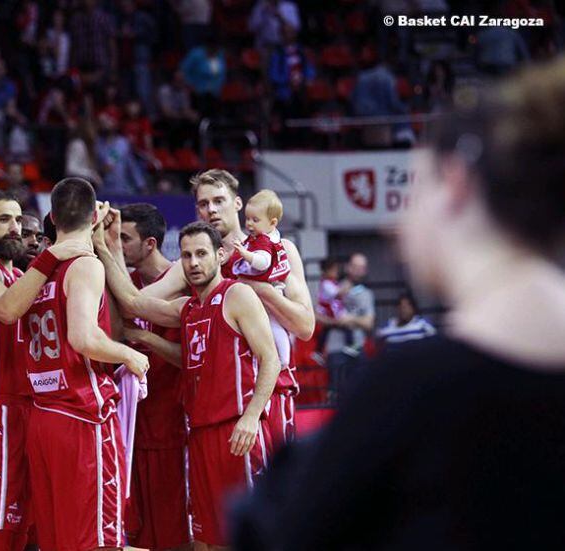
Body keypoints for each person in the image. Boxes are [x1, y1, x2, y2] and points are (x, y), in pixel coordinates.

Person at [232, 54, 565, 551]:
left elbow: (274, 531)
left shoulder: (411, 387)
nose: (397, 225)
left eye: (412, 189)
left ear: (454, 183)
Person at [96, 218, 280, 548]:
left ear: (220, 255)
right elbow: (134, 302)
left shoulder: (237, 295)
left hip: (236, 430)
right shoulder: (189, 308)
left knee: (255, 535)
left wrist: (252, 416)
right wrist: (103, 247)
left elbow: (271, 359)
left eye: (200, 254)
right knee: (209, 538)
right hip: (199, 435)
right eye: (186, 256)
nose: (193, 263)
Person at [119, 169, 315, 448]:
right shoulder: (193, 264)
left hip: (270, 389)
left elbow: (305, 327)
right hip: (217, 401)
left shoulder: (279, 248)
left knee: (276, 488)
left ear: (237, 203)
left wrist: (262, 290)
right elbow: (134, 305)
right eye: (203, 203)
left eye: (219, 200)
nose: (211, 209)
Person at [0, 190, 94, 550]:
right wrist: (52, 255)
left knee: (26, 531)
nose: (15, 229)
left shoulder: (17, 275)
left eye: (18, 220)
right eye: (4, 220)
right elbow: (6, 310)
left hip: (29, 409)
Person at [23, 178, 149, 551]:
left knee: (58, 541)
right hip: (82, 415)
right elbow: (83, 338)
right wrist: (130, 355)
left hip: (43, 416)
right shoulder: (84, 265)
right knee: (97, 541)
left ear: (51, 217)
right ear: (95, 215)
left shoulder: (40, 270)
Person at [117, 203, 191, 551]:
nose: (118, 245)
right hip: (129, 429)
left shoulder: (183, 284)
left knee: (175, 531)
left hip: (172, 427)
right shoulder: (122, 284)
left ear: (150, 244)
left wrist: (145, 339)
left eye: (124, 239)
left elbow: (189, 360)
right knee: (135, 534)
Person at [230, 189, 292, 368]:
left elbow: (262, 263)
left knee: (272, 324)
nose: (249, 224)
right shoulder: (264, 235)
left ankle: (284, 358)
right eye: (247, 219)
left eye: (255, 220)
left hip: (270, 288)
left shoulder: (264, 240)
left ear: (272, 222)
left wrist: (244, 253)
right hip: (265, 286)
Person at [320, 253, 375, 394]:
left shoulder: (366, 293)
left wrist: (350, 319)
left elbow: (369, 323)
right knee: (337, 392)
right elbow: (316, 315)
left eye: (362, 267)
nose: (358, 270)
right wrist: (336, 322)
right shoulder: (334, 286)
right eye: (355, 266)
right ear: (348, 267)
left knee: (360, 392)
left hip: (357, 347)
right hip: (336, 349)